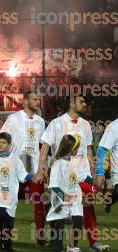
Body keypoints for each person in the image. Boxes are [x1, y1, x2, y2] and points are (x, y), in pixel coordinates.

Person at [36, 96, 108, 252]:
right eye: (81, 101)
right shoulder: (57, 123)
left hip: (81, 173)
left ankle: (88, 242)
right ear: (71, 103)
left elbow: (88, 151)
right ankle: (57, 241)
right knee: (60, 207)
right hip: (62, 173)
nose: (84, 104)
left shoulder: (86, 124)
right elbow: (45, 146)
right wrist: (41, 168)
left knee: (86, 207)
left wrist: (93, 172)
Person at [0, 91, 47, 247]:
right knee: (7, 203)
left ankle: (40, 239)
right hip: (15, 168)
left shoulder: (40, 121)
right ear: (25, 102)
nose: (38, 101)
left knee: (39, 204)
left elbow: (42, 146)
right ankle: (2, 237)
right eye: (34, 99)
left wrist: (43, 167)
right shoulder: (13, 119)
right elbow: (3, 140)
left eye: (38, 99)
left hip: (34, 170)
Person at [47, 134, 91, 252]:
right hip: (61, 199)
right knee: (59, 223)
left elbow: (83, 176)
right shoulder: (58, 164)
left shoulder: (74, 163)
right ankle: (57, 247)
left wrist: (94, 182)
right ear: (71, 149)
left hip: (75, 198)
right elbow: (54, 185)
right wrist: (64, 196)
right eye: (76, 148)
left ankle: (72, 246)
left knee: (78, 221)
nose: (78, 151)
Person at [95, 117, 118, 212]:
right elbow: (102, 149)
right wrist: (100, 172)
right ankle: (110, 200)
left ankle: (109, 200)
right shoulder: (114, 126)